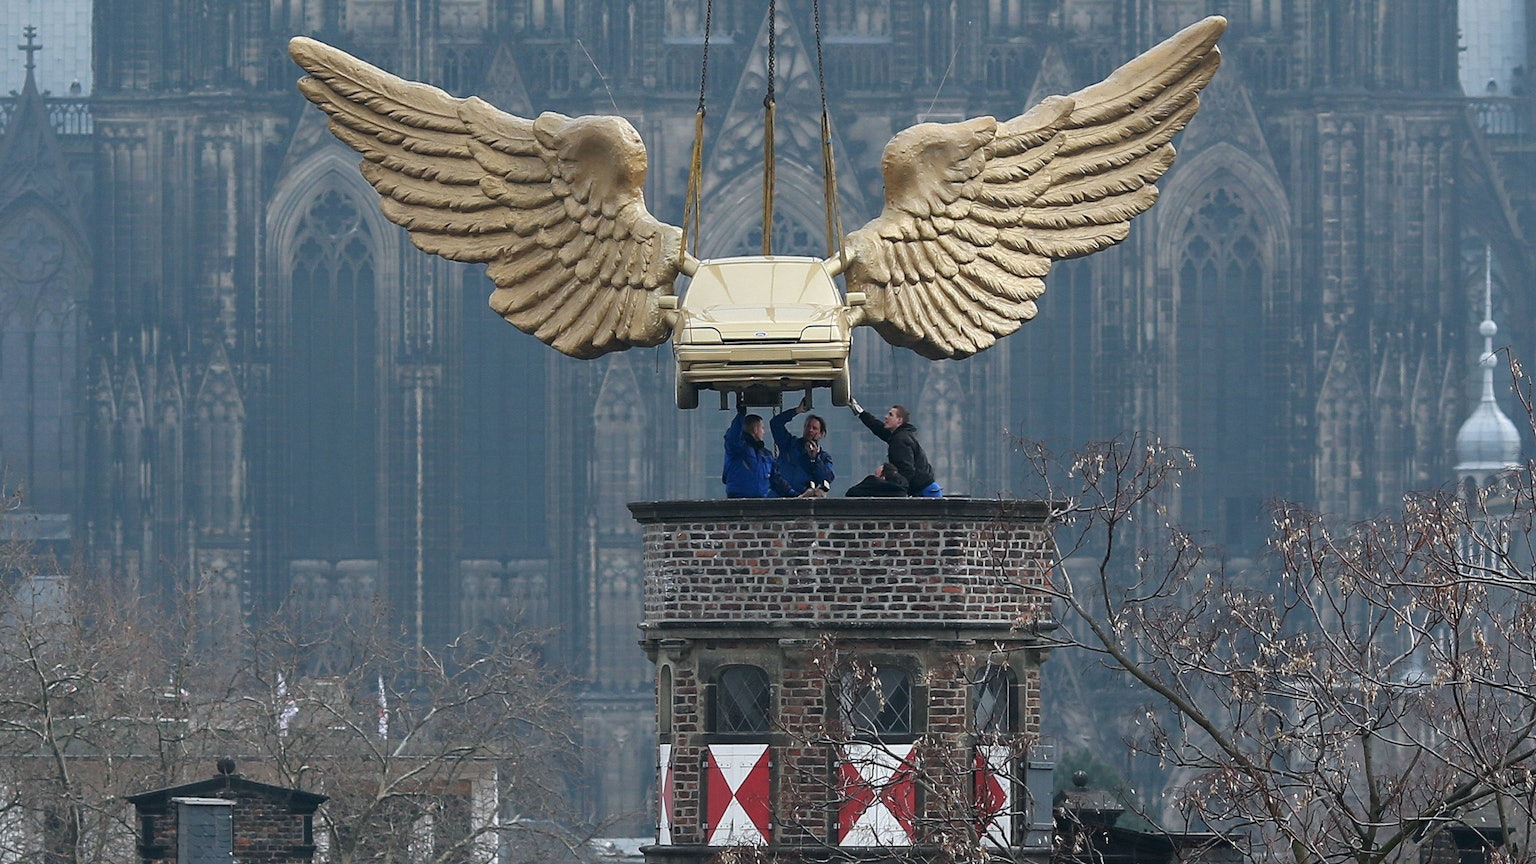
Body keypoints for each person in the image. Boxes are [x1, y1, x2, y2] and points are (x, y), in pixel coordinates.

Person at [848, 398, 938, 497]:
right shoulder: (901, 435)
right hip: (927, 488)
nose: (886, 417)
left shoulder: (900, 440)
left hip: (924, 491)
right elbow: (879, 429)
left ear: (899, 420)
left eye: (891, 415)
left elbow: (907, 470)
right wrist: (861, 413)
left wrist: (900, 491)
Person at [770, 396, 834, 497]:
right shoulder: (789, 444)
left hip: (800, 500)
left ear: (821, 434)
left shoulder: (824, 458)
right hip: (777, 496)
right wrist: (797, 410)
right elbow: (775, 424)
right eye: (808, 426)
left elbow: (826, 479)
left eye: (815, 428)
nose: (810, 430)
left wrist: (815, 459)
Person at [722, 400, 781, 498]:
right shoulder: (738, 449)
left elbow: (777, 481)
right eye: (762, 428)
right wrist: (740, 416)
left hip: (761, 505)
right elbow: (732, 437)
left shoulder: (766, 455)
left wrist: (795, 495)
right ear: (755, 430)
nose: (764, 432)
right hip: (737, 503)